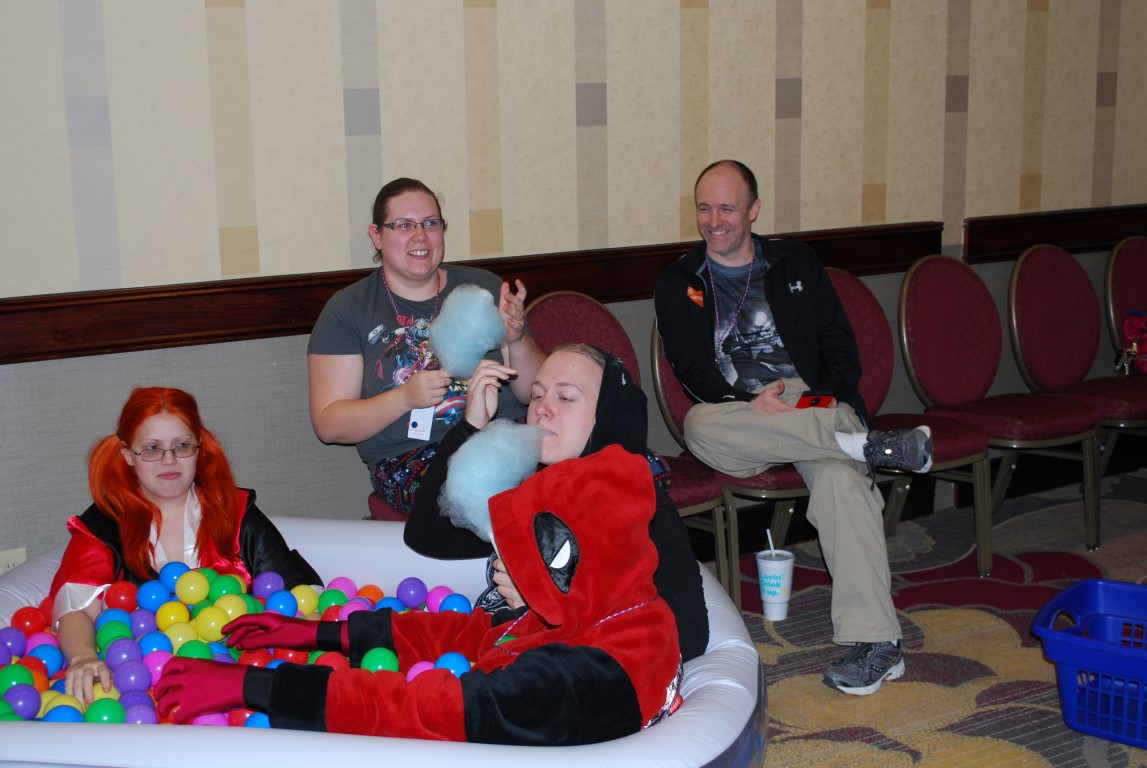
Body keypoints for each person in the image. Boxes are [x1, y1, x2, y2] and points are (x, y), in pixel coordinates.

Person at [155, 444, 683, 745]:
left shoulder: (587, 678)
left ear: (566, 560)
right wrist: (320, 633)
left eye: (516, 556)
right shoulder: (601, 606)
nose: (496, 566)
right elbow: (473, 633)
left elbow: (429, 710)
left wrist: (256, 686)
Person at [654, 159, 934, 696]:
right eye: (704, 208)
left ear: (754, 210)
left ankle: (877, 644)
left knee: (839, 479)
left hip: (809, 403)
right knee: (698, 425)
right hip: (738, 416)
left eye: (727, 208)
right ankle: (864, 444)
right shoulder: (679, 282)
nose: (714, 221)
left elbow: (841, 353)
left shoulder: (796, 262)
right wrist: (749, 399)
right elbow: (691, 371)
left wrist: (817, 402)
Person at [404, 344, 709, 662]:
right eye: (537, 395)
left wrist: (545, 604)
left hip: (551, 674)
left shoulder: (641, 507)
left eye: (565, 397)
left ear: (608, 413)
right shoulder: (523, 489)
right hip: (483, 655)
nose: (541, 409)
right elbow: (427, 535)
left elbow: (687, 633)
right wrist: (470, 425)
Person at [48, 386, 322, 705]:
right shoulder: (104, 524)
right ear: (127, 455)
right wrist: (83, 656)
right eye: (152, 448)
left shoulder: (234, 512)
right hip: (137, 682)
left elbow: (297, 591)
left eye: (182, 446)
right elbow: (76, 607)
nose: (169, 460)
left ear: (199, 448)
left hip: (237, 673)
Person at [307, 177, 545, 515]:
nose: (420, 236)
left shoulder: (483, 288)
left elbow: (533, 391)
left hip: (506, 436)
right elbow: (329, 424)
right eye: (404, 225)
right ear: (376, 235)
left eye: (431, 223)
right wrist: (404, 398)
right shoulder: (349, 309)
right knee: (486, 500)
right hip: (414, 456)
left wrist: (515, 338)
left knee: (578, 483)